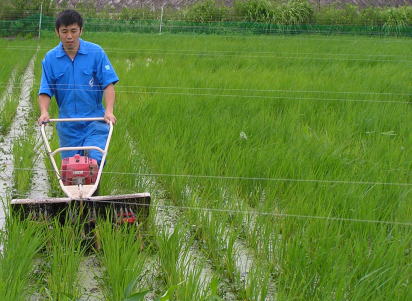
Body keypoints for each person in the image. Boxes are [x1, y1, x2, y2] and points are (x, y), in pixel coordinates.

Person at [38, 9, 118, 166]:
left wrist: (109, 111)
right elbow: (45, 90)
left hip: (94, 121)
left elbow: (108, 84)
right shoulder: (51, 58)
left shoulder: (96, 52)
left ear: (81, 30)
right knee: (71, 168)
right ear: (57, 32)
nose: (69, 36)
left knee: (94, 162)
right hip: (68, 125)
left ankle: (94, 190)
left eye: (73, 31)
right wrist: (44, 112)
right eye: (64, 31)